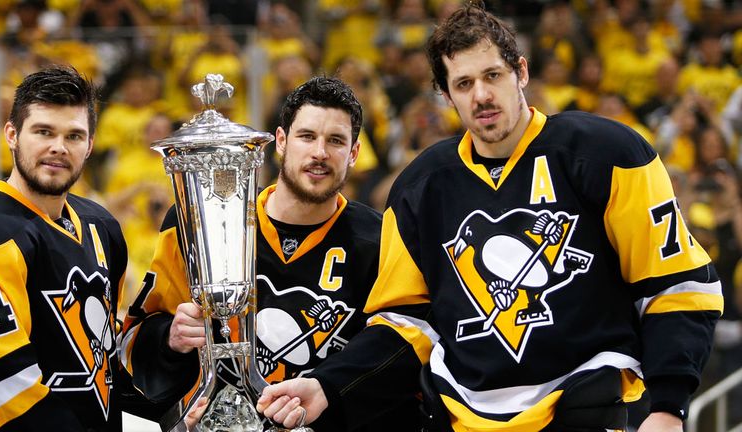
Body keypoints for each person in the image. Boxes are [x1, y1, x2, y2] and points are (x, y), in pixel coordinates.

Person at [256, 5, 724, 432]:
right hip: (463, 419)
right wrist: (327, 385)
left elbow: (677, 286)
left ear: (520, 72)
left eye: (492, 75)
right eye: (463, 84)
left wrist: (668, 407)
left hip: (589, 408)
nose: (481, 95)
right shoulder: (419, 189)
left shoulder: (609, 154)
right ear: (445, 94)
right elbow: (406, 325)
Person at [120, 76, 422, 430]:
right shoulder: (195, 223)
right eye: (307, 136)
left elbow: (406, 345)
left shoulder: (382, 239)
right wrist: (171, 338)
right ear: (281, 141)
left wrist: (331, 388)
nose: (320, 153)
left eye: (336, 141)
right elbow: (132, 342)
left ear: (354, 153)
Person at [0, 66, 130, 430]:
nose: (58, 147)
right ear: (11, 134)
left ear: (90, 146)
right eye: (43, 132)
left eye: (74, 136)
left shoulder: (101, 225)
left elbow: (108, 351)